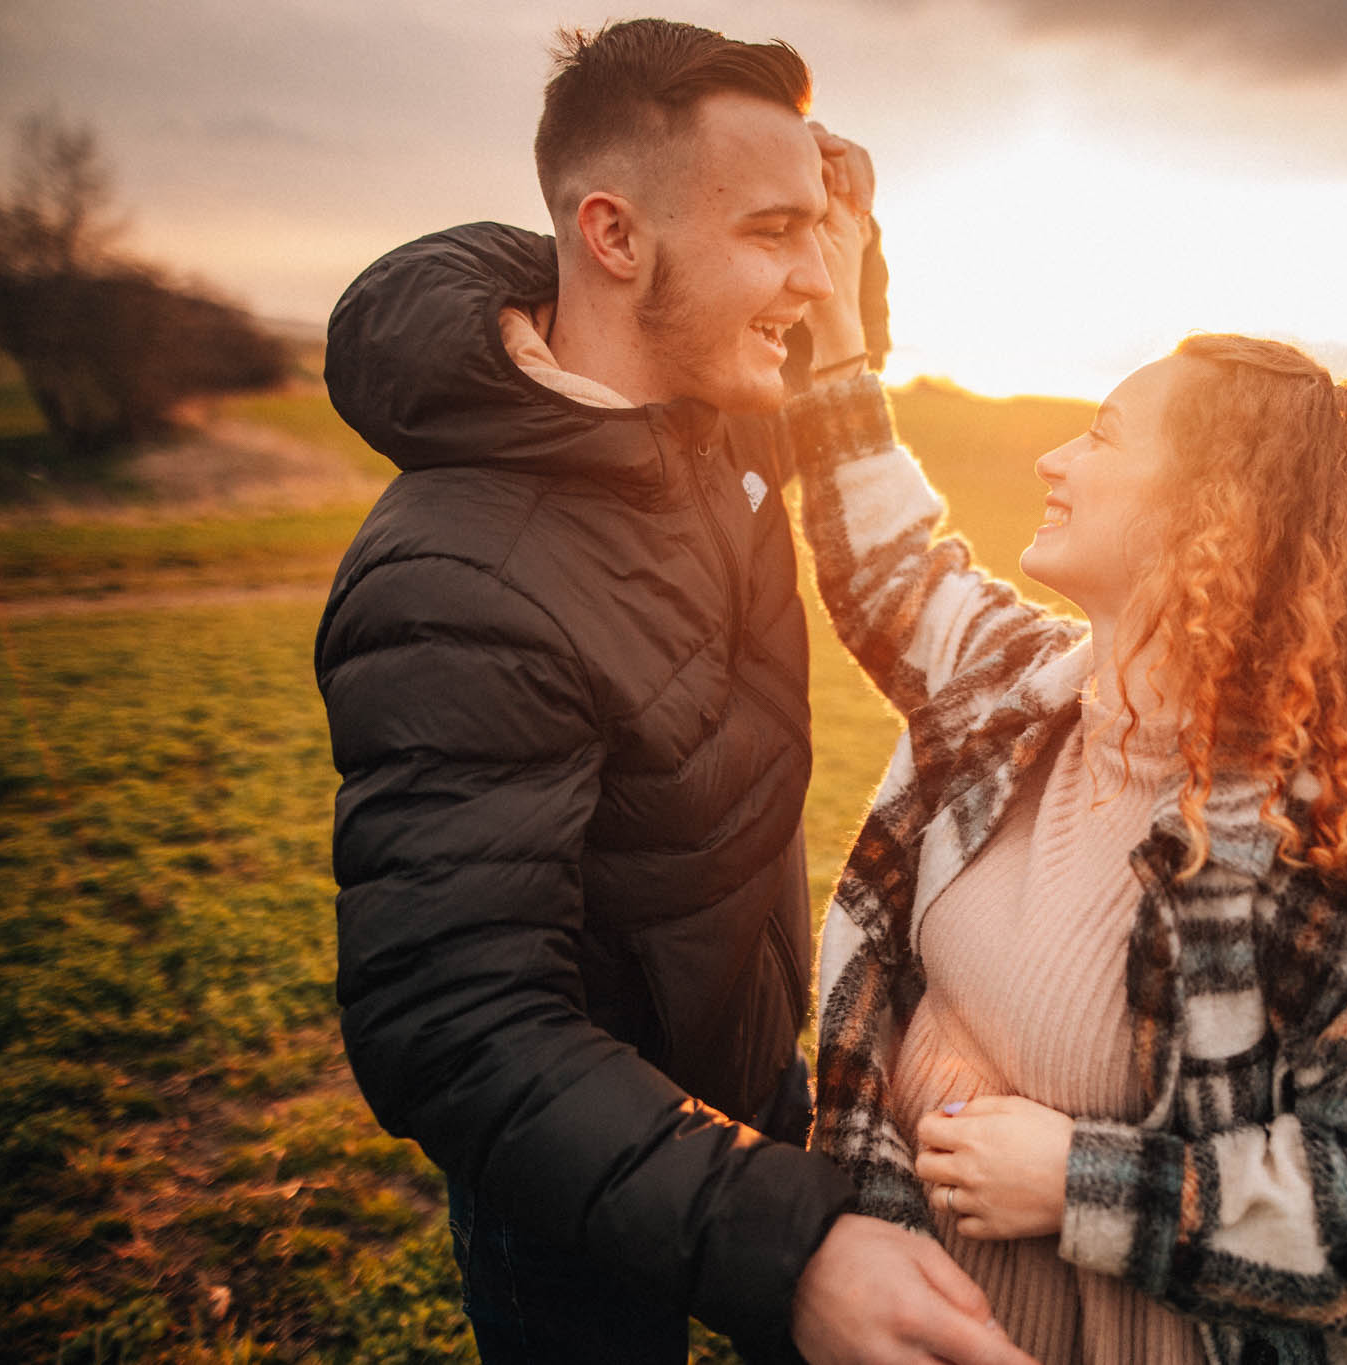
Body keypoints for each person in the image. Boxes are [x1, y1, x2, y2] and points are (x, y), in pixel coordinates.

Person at [315, 20, 1032, 1365]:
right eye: (772, 233)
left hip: (756, 1063)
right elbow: (454, 1019)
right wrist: (788, 1239)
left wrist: (840, 236)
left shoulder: (713, 400)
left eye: (815, 233)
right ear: (614, 237)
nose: (811, 279)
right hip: (570, 1165)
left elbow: (828, 358)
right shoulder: (457, 576)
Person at [785, 205, 1347, 1359]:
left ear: (1210, 512)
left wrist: (1087, 1186)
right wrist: (840, 334)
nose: (1052, 458)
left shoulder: (1320, 840)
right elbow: (890, 563)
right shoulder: (1015, 692)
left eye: (1099, 437)